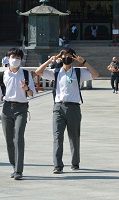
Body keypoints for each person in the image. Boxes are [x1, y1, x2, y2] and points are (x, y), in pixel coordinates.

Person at [35, 47, 99, 174]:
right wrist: (51, 60)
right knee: (57, 136)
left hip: (73, 107)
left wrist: (84, 62)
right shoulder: (56, 72)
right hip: (58, 107)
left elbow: (95, 74)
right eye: (64, 56)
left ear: (73, 57)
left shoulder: (78, 73)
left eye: (69, 56)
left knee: (74, 137)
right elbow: (38, 72)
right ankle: (57, 165)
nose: (66, 58)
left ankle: (75, 162)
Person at [2, 48, 36, 180]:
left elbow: (32, 93)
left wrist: (26, 88)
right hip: (6, 108)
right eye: (13, 56)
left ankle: (18, 170)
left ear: (21, 59)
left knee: (19, 137)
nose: (15, 59)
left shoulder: (26, 75)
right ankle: (14, 165)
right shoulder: (3, 75)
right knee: (9, 139)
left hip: (21, 108)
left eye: (17, 57)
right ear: (8, 58)